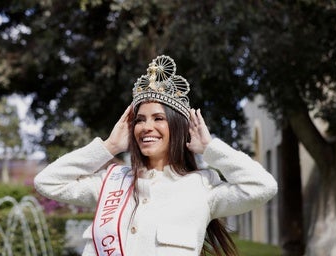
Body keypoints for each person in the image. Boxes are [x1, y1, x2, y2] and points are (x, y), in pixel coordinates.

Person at [34, 55, 277, 256]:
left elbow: (262, 186)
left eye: (158, 118)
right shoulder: (113, 181)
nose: (146, 127)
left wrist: (211, 148)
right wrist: (108, 147)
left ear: (178, 128)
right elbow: (47, 182)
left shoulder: (202, 187)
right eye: (140, 120)